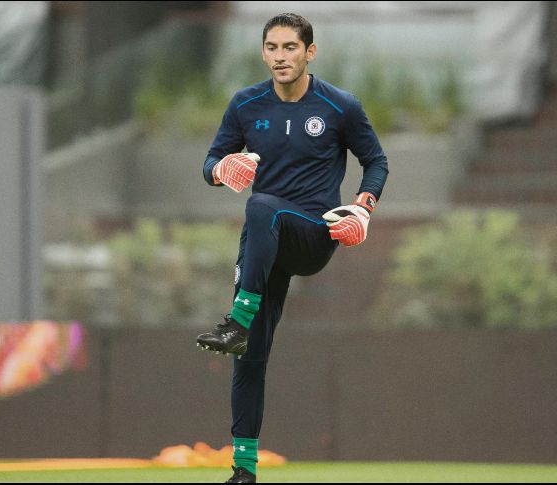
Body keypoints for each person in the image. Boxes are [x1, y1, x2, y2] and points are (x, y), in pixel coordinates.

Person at [195, 13, 389, 484]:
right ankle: (244, 471)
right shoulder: (245, 104)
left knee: (262, 205)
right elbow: (210, 160)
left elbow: (376, 161)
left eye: (290, 47)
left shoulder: (340, 106)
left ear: (310, 52)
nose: (280, 56)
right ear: (263, 53)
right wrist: (220, 170)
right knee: (249, 358)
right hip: (263, 247)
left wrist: (362, 207)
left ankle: (237, 320)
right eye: (272, 47)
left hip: (312, 234)